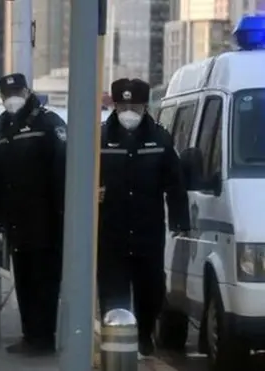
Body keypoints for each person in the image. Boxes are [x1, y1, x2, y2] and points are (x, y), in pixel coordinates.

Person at [98, 78, 190, 356]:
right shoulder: (100, 138)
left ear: (145, 106)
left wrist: (179, 220)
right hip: (110, 230)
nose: (128, 112)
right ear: (114, 106)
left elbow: (175, 183)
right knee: (112, 289)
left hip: (147, 230)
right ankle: (115, 340)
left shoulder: (160, 138)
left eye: (134, 106)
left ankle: (145, 335)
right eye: (123, 105)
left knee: (150, 288)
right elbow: (84, 177)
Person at [0, 73, 67, 355]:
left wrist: (62, 214)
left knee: (45, 281)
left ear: (28, 91)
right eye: (7, 95)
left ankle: (44, 338)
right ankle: (30, 335)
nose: (12, 99)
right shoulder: (0, 128)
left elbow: (62, 170)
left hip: (46, 221)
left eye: (17, 92)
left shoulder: (48, 122)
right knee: (23, 280)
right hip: (16, 222)